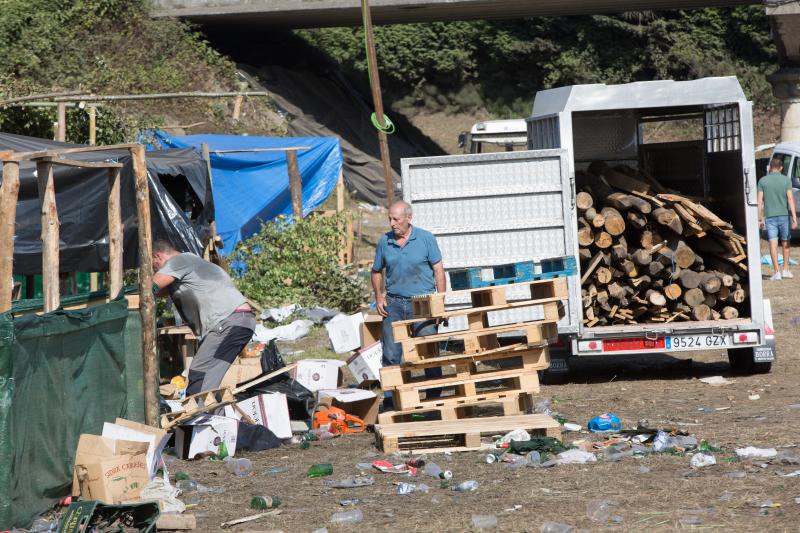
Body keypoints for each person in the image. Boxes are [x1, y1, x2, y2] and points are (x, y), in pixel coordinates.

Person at [152, 240, 256, 395]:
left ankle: (201, 417)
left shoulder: (178, 261)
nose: (155, 270)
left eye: (153, 267)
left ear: (157, 256)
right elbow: (161, 291)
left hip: (228, 322)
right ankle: (215, 416)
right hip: (238, 321)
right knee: (208, 379)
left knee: (200, 375)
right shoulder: (191, 264)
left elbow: (151, 286)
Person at [372, 201, 446, 401]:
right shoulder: (384, 241)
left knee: (427, 352)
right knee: (391, 354)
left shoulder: (425, 238)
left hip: (422, 304)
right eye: (390, 219)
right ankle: (392, 399)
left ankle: (433, 398)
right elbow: (376, 271)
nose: (392, 223)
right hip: (394, 304)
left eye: (396, 219)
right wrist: (379, 296)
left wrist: (439, 303)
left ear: (409, 218)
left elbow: (439, 271)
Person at [758, 158, 798, 280]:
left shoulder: (762, 181)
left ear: (770, 167)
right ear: (781, 168)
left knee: (773, 243)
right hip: (784, 216)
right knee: (786, 242)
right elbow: (790, 199)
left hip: (770, 216)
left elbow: (759, 201)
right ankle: (785, 269)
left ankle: (777, 272)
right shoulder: (786, 180)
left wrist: (759, 218)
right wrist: (794, 218)